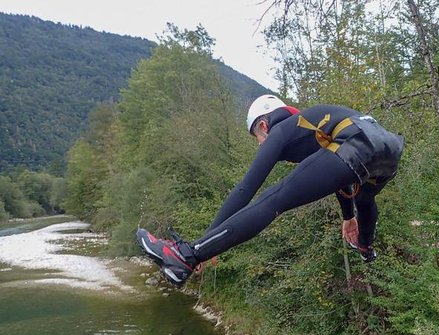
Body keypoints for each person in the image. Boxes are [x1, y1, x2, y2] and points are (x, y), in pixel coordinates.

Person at [136, 95, 404, 286]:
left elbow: (245, 190)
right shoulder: (314, 129)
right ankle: (367, 248)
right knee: (366, 200)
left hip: (356, 141)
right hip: (389, 149)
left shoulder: (282, 130)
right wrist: (348, 217)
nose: (260, 145)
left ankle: (183, 256)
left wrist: (207, 244)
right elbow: (340, 174)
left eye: (257, 139)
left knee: (275, 198)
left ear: (263, 125)